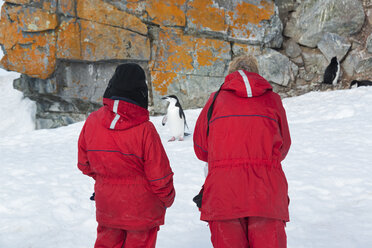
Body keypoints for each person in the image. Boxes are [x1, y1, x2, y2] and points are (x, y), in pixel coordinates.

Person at [193, 55, 291, 248]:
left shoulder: (215, 100)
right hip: (266, 192)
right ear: (257, 73)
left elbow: (201, 148)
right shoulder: (272, 100)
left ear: (230, 73)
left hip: (224, 193)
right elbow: (284, 145)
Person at [77, 63, 175, 248]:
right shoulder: (145, 129)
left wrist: (106, 179)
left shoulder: (92, 121)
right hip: (142, 211)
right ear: (141, 91)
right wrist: (167, 198)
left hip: (108, 207)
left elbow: (84, 164)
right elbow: (160, 176)